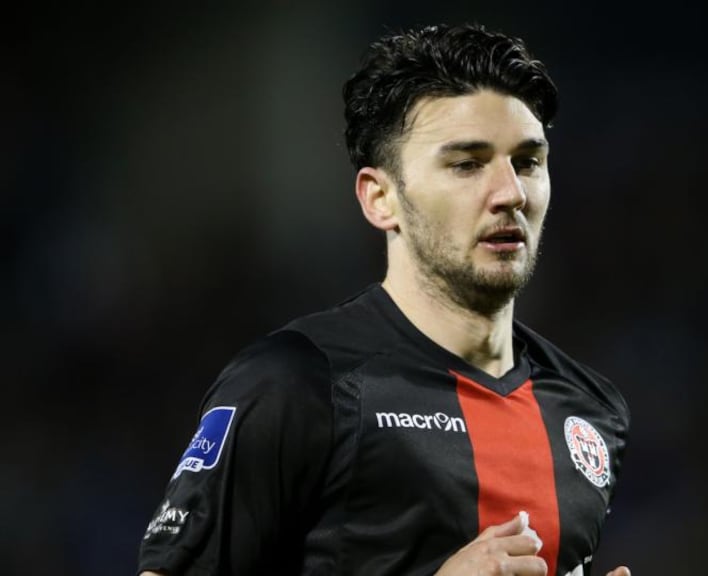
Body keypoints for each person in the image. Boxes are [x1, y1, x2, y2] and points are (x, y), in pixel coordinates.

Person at [137, 22, 631, 576]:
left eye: (527, 162)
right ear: (381, 198)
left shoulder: (590, 408)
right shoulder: (295, 383)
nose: (511, 193)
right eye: (467, 164)